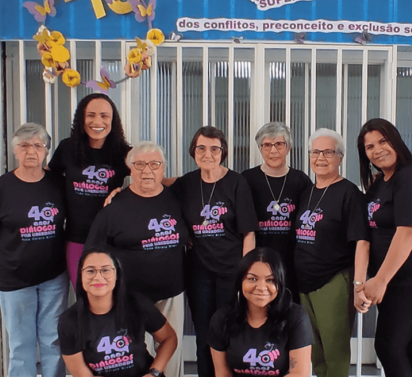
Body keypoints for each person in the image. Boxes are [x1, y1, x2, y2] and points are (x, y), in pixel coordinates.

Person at [0, 93, 130, 288]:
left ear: (113, 120)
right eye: (91, 115)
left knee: (113, 297)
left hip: (114, 239)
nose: (97, 121)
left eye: (104, 116)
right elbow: (42, 178)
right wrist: (3, 186)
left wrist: (125, 193)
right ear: (81, 119)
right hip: (76, 239)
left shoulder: (124, 153)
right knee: (84, 296)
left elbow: (151, 181)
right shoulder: (68, 148)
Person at [84, 141, 188, 377]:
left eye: (154, 164)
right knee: (137, 358)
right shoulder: (114, 207)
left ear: (164, 169)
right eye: (139, 164)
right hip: (129, 298)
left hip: (171, 293)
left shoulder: (178, 197)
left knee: (171, 352)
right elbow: (92, 253)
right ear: (130, 168)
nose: (147, 171)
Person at [0, 122, 69, 377]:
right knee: (21, 346)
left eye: (38, 145)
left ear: (46, 151)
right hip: (15, 280)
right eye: (25, 145)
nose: (31, 151)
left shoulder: (57, 184)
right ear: (15, 150)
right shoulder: (0, 188)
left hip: (54, 278)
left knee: (53, 342)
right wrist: (9, 251)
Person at [354, 118, 412, 377]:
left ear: (396, 141)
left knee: (388, 345)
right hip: (391, 279)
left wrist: (380, 279)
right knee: (404, 343)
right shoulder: (380, 182)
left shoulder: (411, 177)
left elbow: (408, 233)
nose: (377, 149)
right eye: (369, 147)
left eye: (383, 141)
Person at [171, 126, 260, 377]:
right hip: (198, 271)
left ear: (223, 152)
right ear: (193, 151)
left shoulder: (236, 182)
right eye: (201, 148)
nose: (207, 154)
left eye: (214, 148)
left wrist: (247, 273)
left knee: (227, 332)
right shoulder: (186, 183)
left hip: (231, 271)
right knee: (203, 335)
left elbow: (249, 233)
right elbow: (159, 189)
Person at [293, 128, 370, 377]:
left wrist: (359, 285)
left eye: (328, 152)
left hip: (333, 282)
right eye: (316, 152)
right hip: (304, 283)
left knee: (335, 355)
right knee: (315, 353)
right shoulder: (307, 192)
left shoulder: (350, 194)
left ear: (340, 157)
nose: (321, 158)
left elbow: (362, 242)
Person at [58, 245, 178, 377]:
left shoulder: (137, 303)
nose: (98, 277)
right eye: (90, 271)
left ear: (117, 274)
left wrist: (154, 372)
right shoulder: (69, 320)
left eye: (106, 270)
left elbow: (169, 338)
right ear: (80, 275)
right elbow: (82, 373)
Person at [209, 248, 313, 377]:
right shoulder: (221, 318)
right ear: (240, 282)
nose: (261, 287)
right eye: (252, 279)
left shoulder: (296, 317)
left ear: (280, 284)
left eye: (270, 280)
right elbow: (222, 373)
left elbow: (299, 374)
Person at [241, 122, 312, 300]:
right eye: (267, 145)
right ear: (260, 148)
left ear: (288, 148)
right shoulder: (247, 179)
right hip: (259, 260)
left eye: (279, 144)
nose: (273, 150)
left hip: (293, 260)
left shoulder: (300, 180)